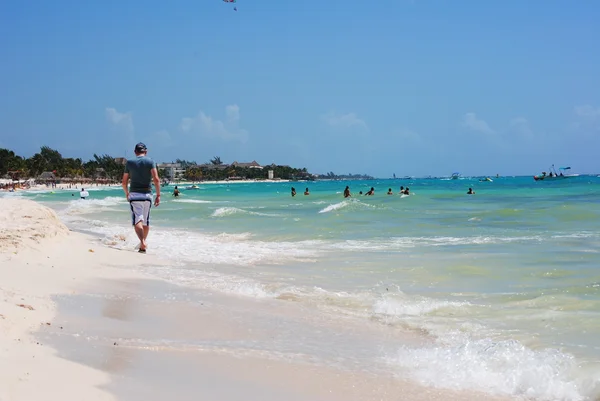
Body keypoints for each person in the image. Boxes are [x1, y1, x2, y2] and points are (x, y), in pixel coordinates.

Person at [122, 142, 161, 253]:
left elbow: (124, 182)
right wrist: (158, 195)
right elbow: (156, 179)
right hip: (148, 195)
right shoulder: (151, 161)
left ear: (135, 152)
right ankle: (142, 244)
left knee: (137, 221)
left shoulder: (129, 162)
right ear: (146, 151)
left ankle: (142, 242)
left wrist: (126, 193)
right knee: (145, 221)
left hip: (134, 195)